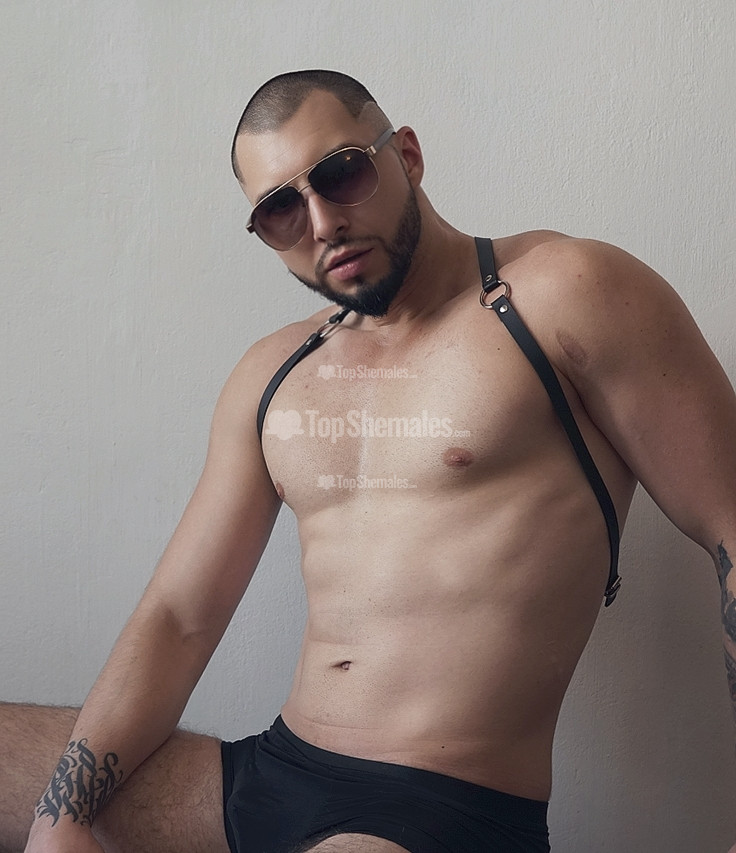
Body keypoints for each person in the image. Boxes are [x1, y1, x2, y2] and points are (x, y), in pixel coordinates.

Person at [1, 69, 735, 853]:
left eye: (341, 173)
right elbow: (180, 614)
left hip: (446, 809)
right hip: (273, 773)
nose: (322, 223)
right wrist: (61, 815)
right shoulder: (274, 373)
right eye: (280, 209)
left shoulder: (564, 293)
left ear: (406, 156)